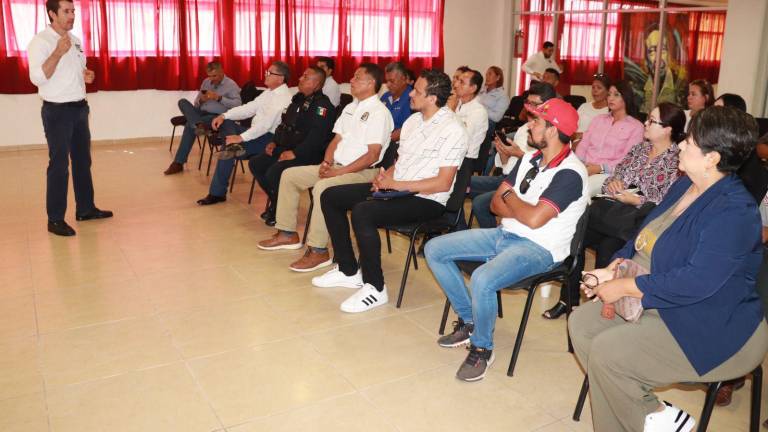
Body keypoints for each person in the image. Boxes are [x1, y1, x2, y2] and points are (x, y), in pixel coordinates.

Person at [569, 106, 768, 432]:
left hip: (710, 323)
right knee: (582, 325)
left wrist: (624, 287)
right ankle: (652, 416)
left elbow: (697, 282)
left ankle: (654, 419)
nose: (681, 146)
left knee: (608, 355)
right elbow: (640, 239)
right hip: (659, 297)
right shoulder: (683, 186)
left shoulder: (735, 212)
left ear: (712, 158)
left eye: (689, 141)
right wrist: (614, 267)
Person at [426, 98, 587, 382]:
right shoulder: (529, 159)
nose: (530, 126)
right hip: (506, 234)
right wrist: (520, 206)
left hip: (540, 249)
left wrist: (512, 199)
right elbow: (494, 206)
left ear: (552, 130)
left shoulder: (571, 173)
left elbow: (534, 218)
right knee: (435, 248)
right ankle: (470, 321)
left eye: (537, 121)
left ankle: (482, 348)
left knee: (483, 279)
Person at [314, 69, 468, 313]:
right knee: (332, 196)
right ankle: (348, 269)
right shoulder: (413, 122)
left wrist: (398, 185)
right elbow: (402, 162)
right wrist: (385, 176)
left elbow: (443, 183)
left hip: (428, 199)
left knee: (364, 212)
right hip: (399, 189)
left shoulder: (453, 129)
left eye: (417, 91)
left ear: (432, 98)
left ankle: (375, 288)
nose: (411, 95)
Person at [544, 102, 686, 320]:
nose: (645, 124)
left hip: (638, 219)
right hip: (613, 211)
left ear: (668, 129)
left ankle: (596, 306)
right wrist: (613, 184)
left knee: (607, 246)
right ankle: (569, 299)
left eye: (652, 121)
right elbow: (616, 173)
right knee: (576, 240)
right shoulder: (640, 148)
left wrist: (637, 200)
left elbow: (669, 201)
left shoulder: (676, 159)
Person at [256, 63, 393, 273]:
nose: (352, 81)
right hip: (337, 166)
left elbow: (372, 155)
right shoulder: (350, 107)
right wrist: (327, 163)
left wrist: (336, 172)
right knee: (289, 175)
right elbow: (335, 140)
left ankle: (319, 250)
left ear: (371, 83)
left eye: (357, 77)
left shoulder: (379, 113)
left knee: (323, 188)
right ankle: (287, 233)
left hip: (363, 173)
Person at [28, 0, 113, 236]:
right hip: (57, 112)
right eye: (66, 11)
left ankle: (85, 209)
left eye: (73, 11)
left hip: (79, 108)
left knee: (83, 161)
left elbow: (74, 71)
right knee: (59, 165)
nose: (72, 15)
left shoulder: (75, 40)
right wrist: (57, 52)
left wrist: (85, 75)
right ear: (52, 14)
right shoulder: (41, 42)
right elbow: (38, 78)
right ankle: (54, 219)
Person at [196, 61, 293, 205]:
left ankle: (217, 192)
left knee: (228, 149)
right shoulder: (269, 92)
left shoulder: (283, 98)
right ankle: (229, 143)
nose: (265, 75)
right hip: (253, 133)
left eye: (269, 73)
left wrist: (240, 137)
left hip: (268, 139)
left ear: (281, 78)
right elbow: (249, 108)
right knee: (227, 122)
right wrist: (224, 116)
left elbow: (265, 126)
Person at [248, 67, 335, 226]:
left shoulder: (322, 106)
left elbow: (317, 138)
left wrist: (295, 153)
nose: (300, 78)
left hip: (309, 154)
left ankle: (281, 211)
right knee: (256, 163)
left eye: (305, 77)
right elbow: (284, 125)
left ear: (316, 84)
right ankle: (277, 202)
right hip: (288, 149)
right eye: (302, 75)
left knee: (275, 171)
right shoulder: (298, 99)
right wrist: (274, 141)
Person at [466, 82, 557, 230]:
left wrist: (518, 154)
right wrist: (504, 153)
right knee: (461, 182)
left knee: (480, 203)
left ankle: (496, 236)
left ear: (548, 105)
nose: (530, 109)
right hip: (507, 178)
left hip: (525, 184)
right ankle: (458, 228)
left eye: (535, 104)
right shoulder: (523, 129)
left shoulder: (550, 133)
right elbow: (506, 167)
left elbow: (545, 166)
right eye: (528, 103)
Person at [164, 61, 241, 175]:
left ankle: (178, 163)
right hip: (200, 112)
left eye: (214, 76)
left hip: (215, 116)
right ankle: (198, 125)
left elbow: (238, 104)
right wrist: (201, 100)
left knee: (189, 126)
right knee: (182, 102)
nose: (211, 79)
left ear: (222, 72)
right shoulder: (206, 82)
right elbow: (196, 103)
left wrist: (219, 98)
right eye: (209, 76)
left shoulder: (231, 85)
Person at [575, 80, 644, 197]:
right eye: (609, 94)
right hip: (585, 168)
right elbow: (583, 144)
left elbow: (627, 160)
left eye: (616, 95)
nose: (610, 98)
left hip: (610, 175)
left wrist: (599, 168)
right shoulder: (598, 119)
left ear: (626, 98)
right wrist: (580, 164)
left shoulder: (636, 127)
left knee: (581, 190)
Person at [453, 68, 489, 160]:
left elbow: (461, 138)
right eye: (457, 81)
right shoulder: (458, 103)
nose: (456, 85)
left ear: (473, 88)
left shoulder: (478, 111)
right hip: (452, 154)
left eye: (462, 82)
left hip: (465, 159)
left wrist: (451, 110)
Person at [381, 62, 413, 143]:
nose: (388, 85)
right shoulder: (385, 96)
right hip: (381, 139)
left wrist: (403, 132)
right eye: (387, 81)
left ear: (403, 79)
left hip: (399, 144)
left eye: (392, 81)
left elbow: (421, 124)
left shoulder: (413, 98)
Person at [575, 73, 611, 143]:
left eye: (599, 88)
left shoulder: (610, 111)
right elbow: (573, 128)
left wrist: (583, 136)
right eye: (593, 87)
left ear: (608, 91)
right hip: (575, 146)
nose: (595, 91)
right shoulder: (584, 106)